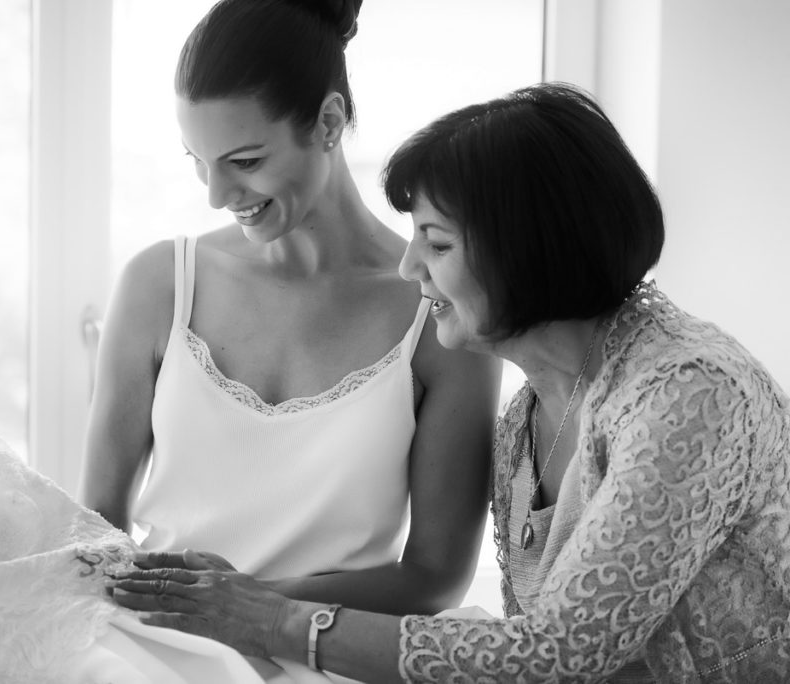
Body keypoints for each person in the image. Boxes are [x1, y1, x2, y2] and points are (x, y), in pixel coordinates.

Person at [109, 83, 790, 682]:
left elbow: (556, 655)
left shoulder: (687, 392)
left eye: (436, 243)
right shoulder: (526, 420)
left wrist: (272, 621)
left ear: (528, 248)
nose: (408, 268)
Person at [80, 0, 500, 616]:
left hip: (333, 651)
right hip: (155, 639)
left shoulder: (437, 312)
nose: (219, 196)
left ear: (328, 122)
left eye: (245, 162)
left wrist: (250, 607)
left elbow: (434, 578)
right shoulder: (161, 284)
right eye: (198, 162)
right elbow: (95, 526)